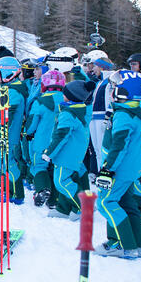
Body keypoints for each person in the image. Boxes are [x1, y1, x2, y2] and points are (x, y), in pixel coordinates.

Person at [93, 70, 141, 258]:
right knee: (127, 203)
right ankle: (137, 244)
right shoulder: (140, 110)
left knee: (106, 202)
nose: (112, 90)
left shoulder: (124, 116)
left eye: (115, 87)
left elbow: (119, 146)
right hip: (132, 168)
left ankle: (124, 245)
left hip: (119, 169)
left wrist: (107, 170)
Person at [44, 80, 95, 220]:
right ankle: (63, 208)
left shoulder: (68, 114)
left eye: (65, 93)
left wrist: (49, 153)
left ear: (70, 97)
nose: (62, 95)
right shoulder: (83, 109)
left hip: (66, 155)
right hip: (77, 153)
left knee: (61, 181)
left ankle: (83, 207)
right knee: (72, 179)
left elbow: (61, 136)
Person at [0, 56, 28, 204]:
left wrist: (1, 134)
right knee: (0, 163)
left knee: (8, 163)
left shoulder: (14, 92)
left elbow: (7, 116)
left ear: (7, 73)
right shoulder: (4, 88)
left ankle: (16, 193)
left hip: (6, 135)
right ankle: (5, 189)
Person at [23, 69, 66, 207]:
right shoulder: (67, 100)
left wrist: (27, 132)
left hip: (42, 141)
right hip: (60, 142)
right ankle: (54, 200)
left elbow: (31, 125)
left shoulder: (40, 101)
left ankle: (42, 189)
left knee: (39, 166)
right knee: (55, 168)